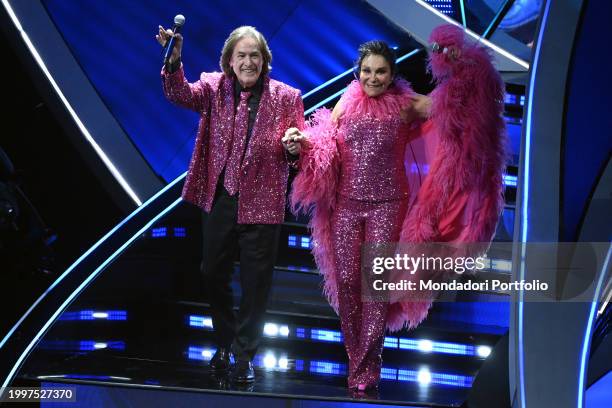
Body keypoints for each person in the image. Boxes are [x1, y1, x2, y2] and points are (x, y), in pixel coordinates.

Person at [286, 27, 506, 392]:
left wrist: (462, 62)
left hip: (388, 208)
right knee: (346, 286)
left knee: (374, 291)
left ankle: (363, 373)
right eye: (367, 71)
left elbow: (455, 102)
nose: (373, 78)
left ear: (392, 74)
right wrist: (302, 142)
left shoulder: (406, 104)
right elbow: (323, 137)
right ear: (358, 72)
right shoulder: (347, 100)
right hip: (345, 206)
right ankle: (358, 360)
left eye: (381, 71)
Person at [157, 25, 304, 383]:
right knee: (211, 272)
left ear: (265, 60)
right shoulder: (213, 86)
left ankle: (243, 355)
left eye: (255, 55)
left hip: (263, 202)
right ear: (229, 61)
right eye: (242, 56)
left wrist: (294, 146)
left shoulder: (287, 97)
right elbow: (180, 94)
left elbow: (300, 151)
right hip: (221, 196)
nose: (249, 62)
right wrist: (174, 62)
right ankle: (225, 341)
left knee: (257, 284)